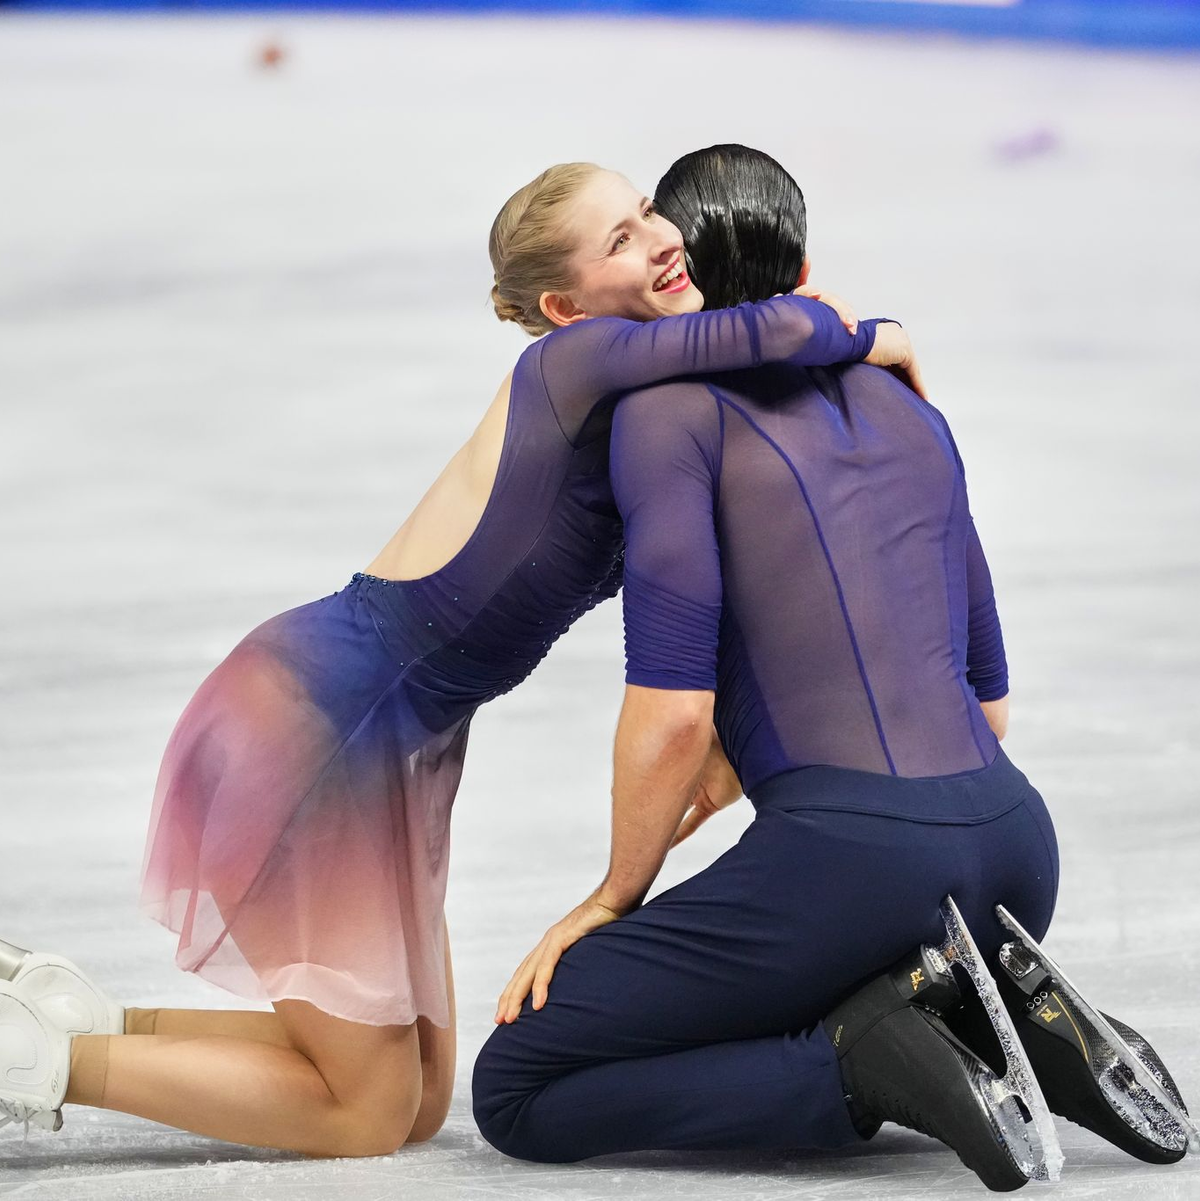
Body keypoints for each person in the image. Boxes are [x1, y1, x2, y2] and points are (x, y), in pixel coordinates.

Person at [0, 163, 920, 1155]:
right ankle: (34, 1061)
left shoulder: (644, 393)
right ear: (563, 305)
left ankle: (81, 1025)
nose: (658, 237)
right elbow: (767, 332)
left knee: (420, 1099)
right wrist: (874, 335)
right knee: (359, 1113)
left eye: (647, 212)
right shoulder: (577, 362)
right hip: (318, 724)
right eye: (618, 238)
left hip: (386, 741)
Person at [472, 146, 1193, 1190]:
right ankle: (996, 1023)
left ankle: (863, 1066)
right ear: (802, 261)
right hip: (1014, 851)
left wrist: (612, 895)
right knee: (827, 952)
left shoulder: (666, 416)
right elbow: (986, 705)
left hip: (854, 867)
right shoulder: (907, 398)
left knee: (521, 1085)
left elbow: (674, 711)